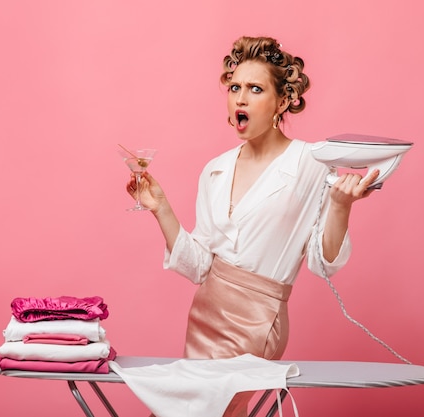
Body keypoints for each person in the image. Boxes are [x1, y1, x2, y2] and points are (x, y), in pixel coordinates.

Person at [124, 36, 379, 417]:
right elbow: (199, 266)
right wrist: (161, 208)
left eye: (255, 89)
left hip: (258, 318)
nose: (240, 99)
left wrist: (341, 205)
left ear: (282, 102)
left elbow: (322, 263)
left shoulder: (311, 163)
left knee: (201, 409)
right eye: (235, 88)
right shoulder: (215, 169)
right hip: (205, 313)